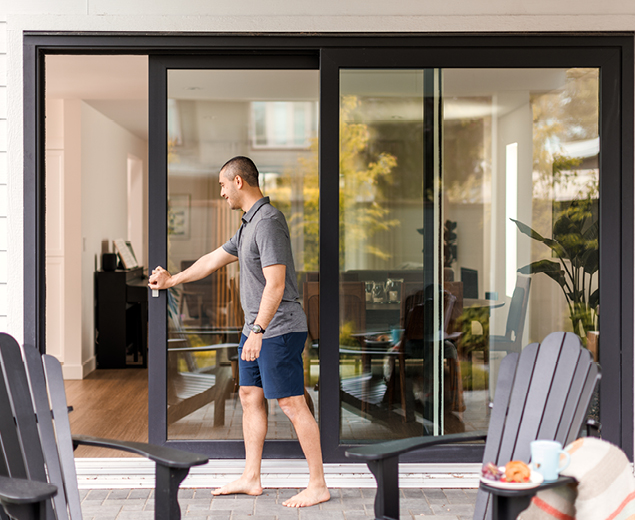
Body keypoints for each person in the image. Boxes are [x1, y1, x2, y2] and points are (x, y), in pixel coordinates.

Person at [149, 156, 330, 508]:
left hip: (277, 328)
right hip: (256, 329)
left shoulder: (269, 222)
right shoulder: (248, 224)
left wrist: (260, 329)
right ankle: (251, 477)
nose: (220, 193)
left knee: (291, 402)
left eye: (221, 185)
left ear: (238, 182)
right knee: (249, 396)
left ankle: (318, 483)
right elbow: (212, 260)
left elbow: (276, 284)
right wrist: (173, 279)